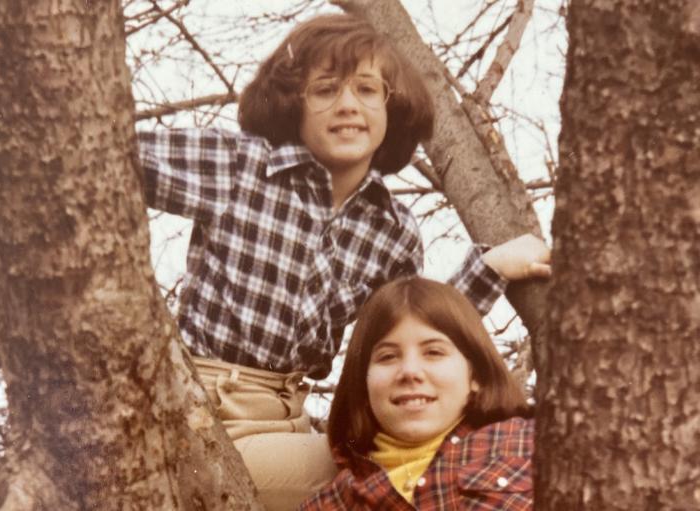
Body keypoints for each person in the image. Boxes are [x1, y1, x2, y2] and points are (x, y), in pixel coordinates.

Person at [137, 13, 549, 510]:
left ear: (391, 109)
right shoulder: (240, 165)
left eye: (368, 90)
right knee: (376, 474)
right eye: (325, 89)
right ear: (295, 104)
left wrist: (494, 268)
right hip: (204, 408)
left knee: (426, 437)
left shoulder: (391, 230)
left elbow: (407, 332)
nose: (348, 105)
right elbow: (108, 157)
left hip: (292, 418)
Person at [299, 277, 535, 510]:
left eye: (433, 352)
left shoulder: (532, 443)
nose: (410, 371)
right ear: (363, 384)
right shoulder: (331, 505)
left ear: (476, 375)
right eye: (388, 356)